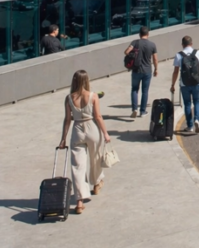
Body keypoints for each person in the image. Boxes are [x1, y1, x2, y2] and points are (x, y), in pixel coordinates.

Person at [59, 70, 111, 215]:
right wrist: (106, 133)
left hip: (77, 130)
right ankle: (96, 184)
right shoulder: (93, 96)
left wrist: (63, 138)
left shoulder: (69, 98)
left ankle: (79, 203)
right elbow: (98, 116)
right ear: (86, 80)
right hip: (92, 129)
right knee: (95, 159)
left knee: (77, 166)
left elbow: (67, 120)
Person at [170, 36, 199, 134]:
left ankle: (190, 126)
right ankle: (197, 120)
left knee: (187, 104)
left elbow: (176, 71)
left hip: (184, 83)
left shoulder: (179, 55)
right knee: (197, 102)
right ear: (191, 43)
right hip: (197, 82)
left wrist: (172, 84)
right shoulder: (198, 53)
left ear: (182, 44)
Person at [123, 26, 158, 118]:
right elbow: (155, 58)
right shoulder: (152, 45)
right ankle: (143, 111)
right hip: (147, 71)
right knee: (145, 91)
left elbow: (126, 52)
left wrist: (132, 54)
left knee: (134, 89)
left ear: (139, 34)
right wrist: (156, 69)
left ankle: (134, 109)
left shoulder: (135, 42)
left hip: (136, 70)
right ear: (148, 34)